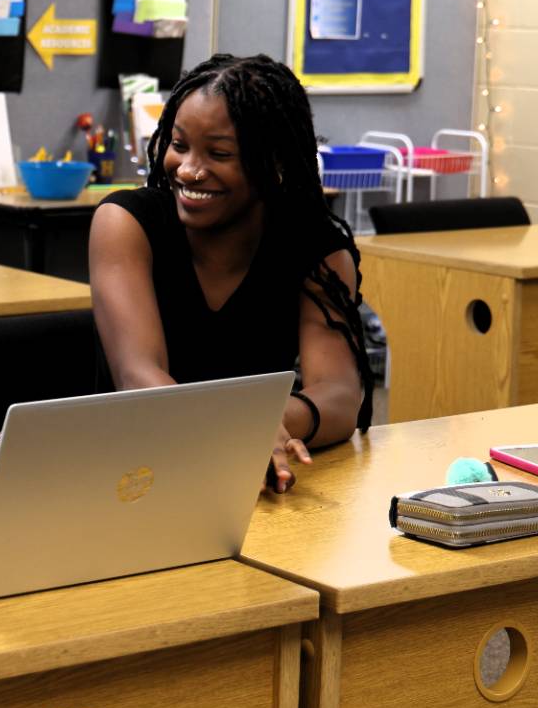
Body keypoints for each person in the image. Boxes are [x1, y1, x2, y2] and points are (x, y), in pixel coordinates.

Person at [89, 54, 373, 493]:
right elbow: (138, 376)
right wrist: (236, 430)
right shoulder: (127, 224)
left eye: (218, 153)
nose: (187, 169)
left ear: (274, 163)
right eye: (179, 145)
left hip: (252, 482)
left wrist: (265, 427)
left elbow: (339, 396)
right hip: (126, 474)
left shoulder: (315, 249)